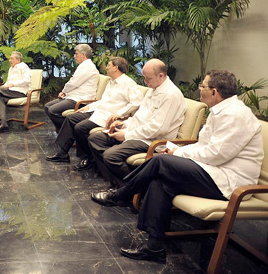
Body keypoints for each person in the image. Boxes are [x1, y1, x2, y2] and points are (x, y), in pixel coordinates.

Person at [90, 70, 264, 263]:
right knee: (160, 181)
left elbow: (216, 155)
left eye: (202, 86)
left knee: (160, 161)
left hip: (230, 182)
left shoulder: (235, 114)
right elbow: (204, 146)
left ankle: (122, 194)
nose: (200, 89)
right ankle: (154, 248)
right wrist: (175, 150)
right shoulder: (221, 110)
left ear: (215, 91)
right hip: (212, 171)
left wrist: (178, 153)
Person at [88, 59, 186, 186]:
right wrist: (125, 124)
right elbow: (140, 115)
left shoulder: (170, 95)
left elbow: (157, 129)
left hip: (152, 141)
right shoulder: (154, 88)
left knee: (111, 156)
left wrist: (127, 135)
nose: (145, 82)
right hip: (137, 133)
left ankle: (130, 188)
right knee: (96, 139)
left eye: (148, 78)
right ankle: (115, 181)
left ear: (160, 75)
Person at [46, 57, 143, 169]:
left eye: (109, 65)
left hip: (108, 116)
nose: (106, 67)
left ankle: (87, 158)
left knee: (80, 128)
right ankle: (62, 153)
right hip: (98, 111)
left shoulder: (128, 83)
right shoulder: (111, 82)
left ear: (116, 68)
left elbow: (137, 102)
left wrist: (119, 114)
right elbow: (103, 101)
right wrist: (88, 107)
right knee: (71, 118)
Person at [44, 44, 99, 131]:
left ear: (83, 55)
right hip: (73, 97)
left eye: (76, 54)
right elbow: (74, 83)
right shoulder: (83, 65)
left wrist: (64, 91)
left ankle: (69, 131)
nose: (74, 56)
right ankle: (64, 132)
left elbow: (73, 83)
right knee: (47, 107)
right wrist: (65, 92)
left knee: (52, 110)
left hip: (80, 99)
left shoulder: (88, 67)